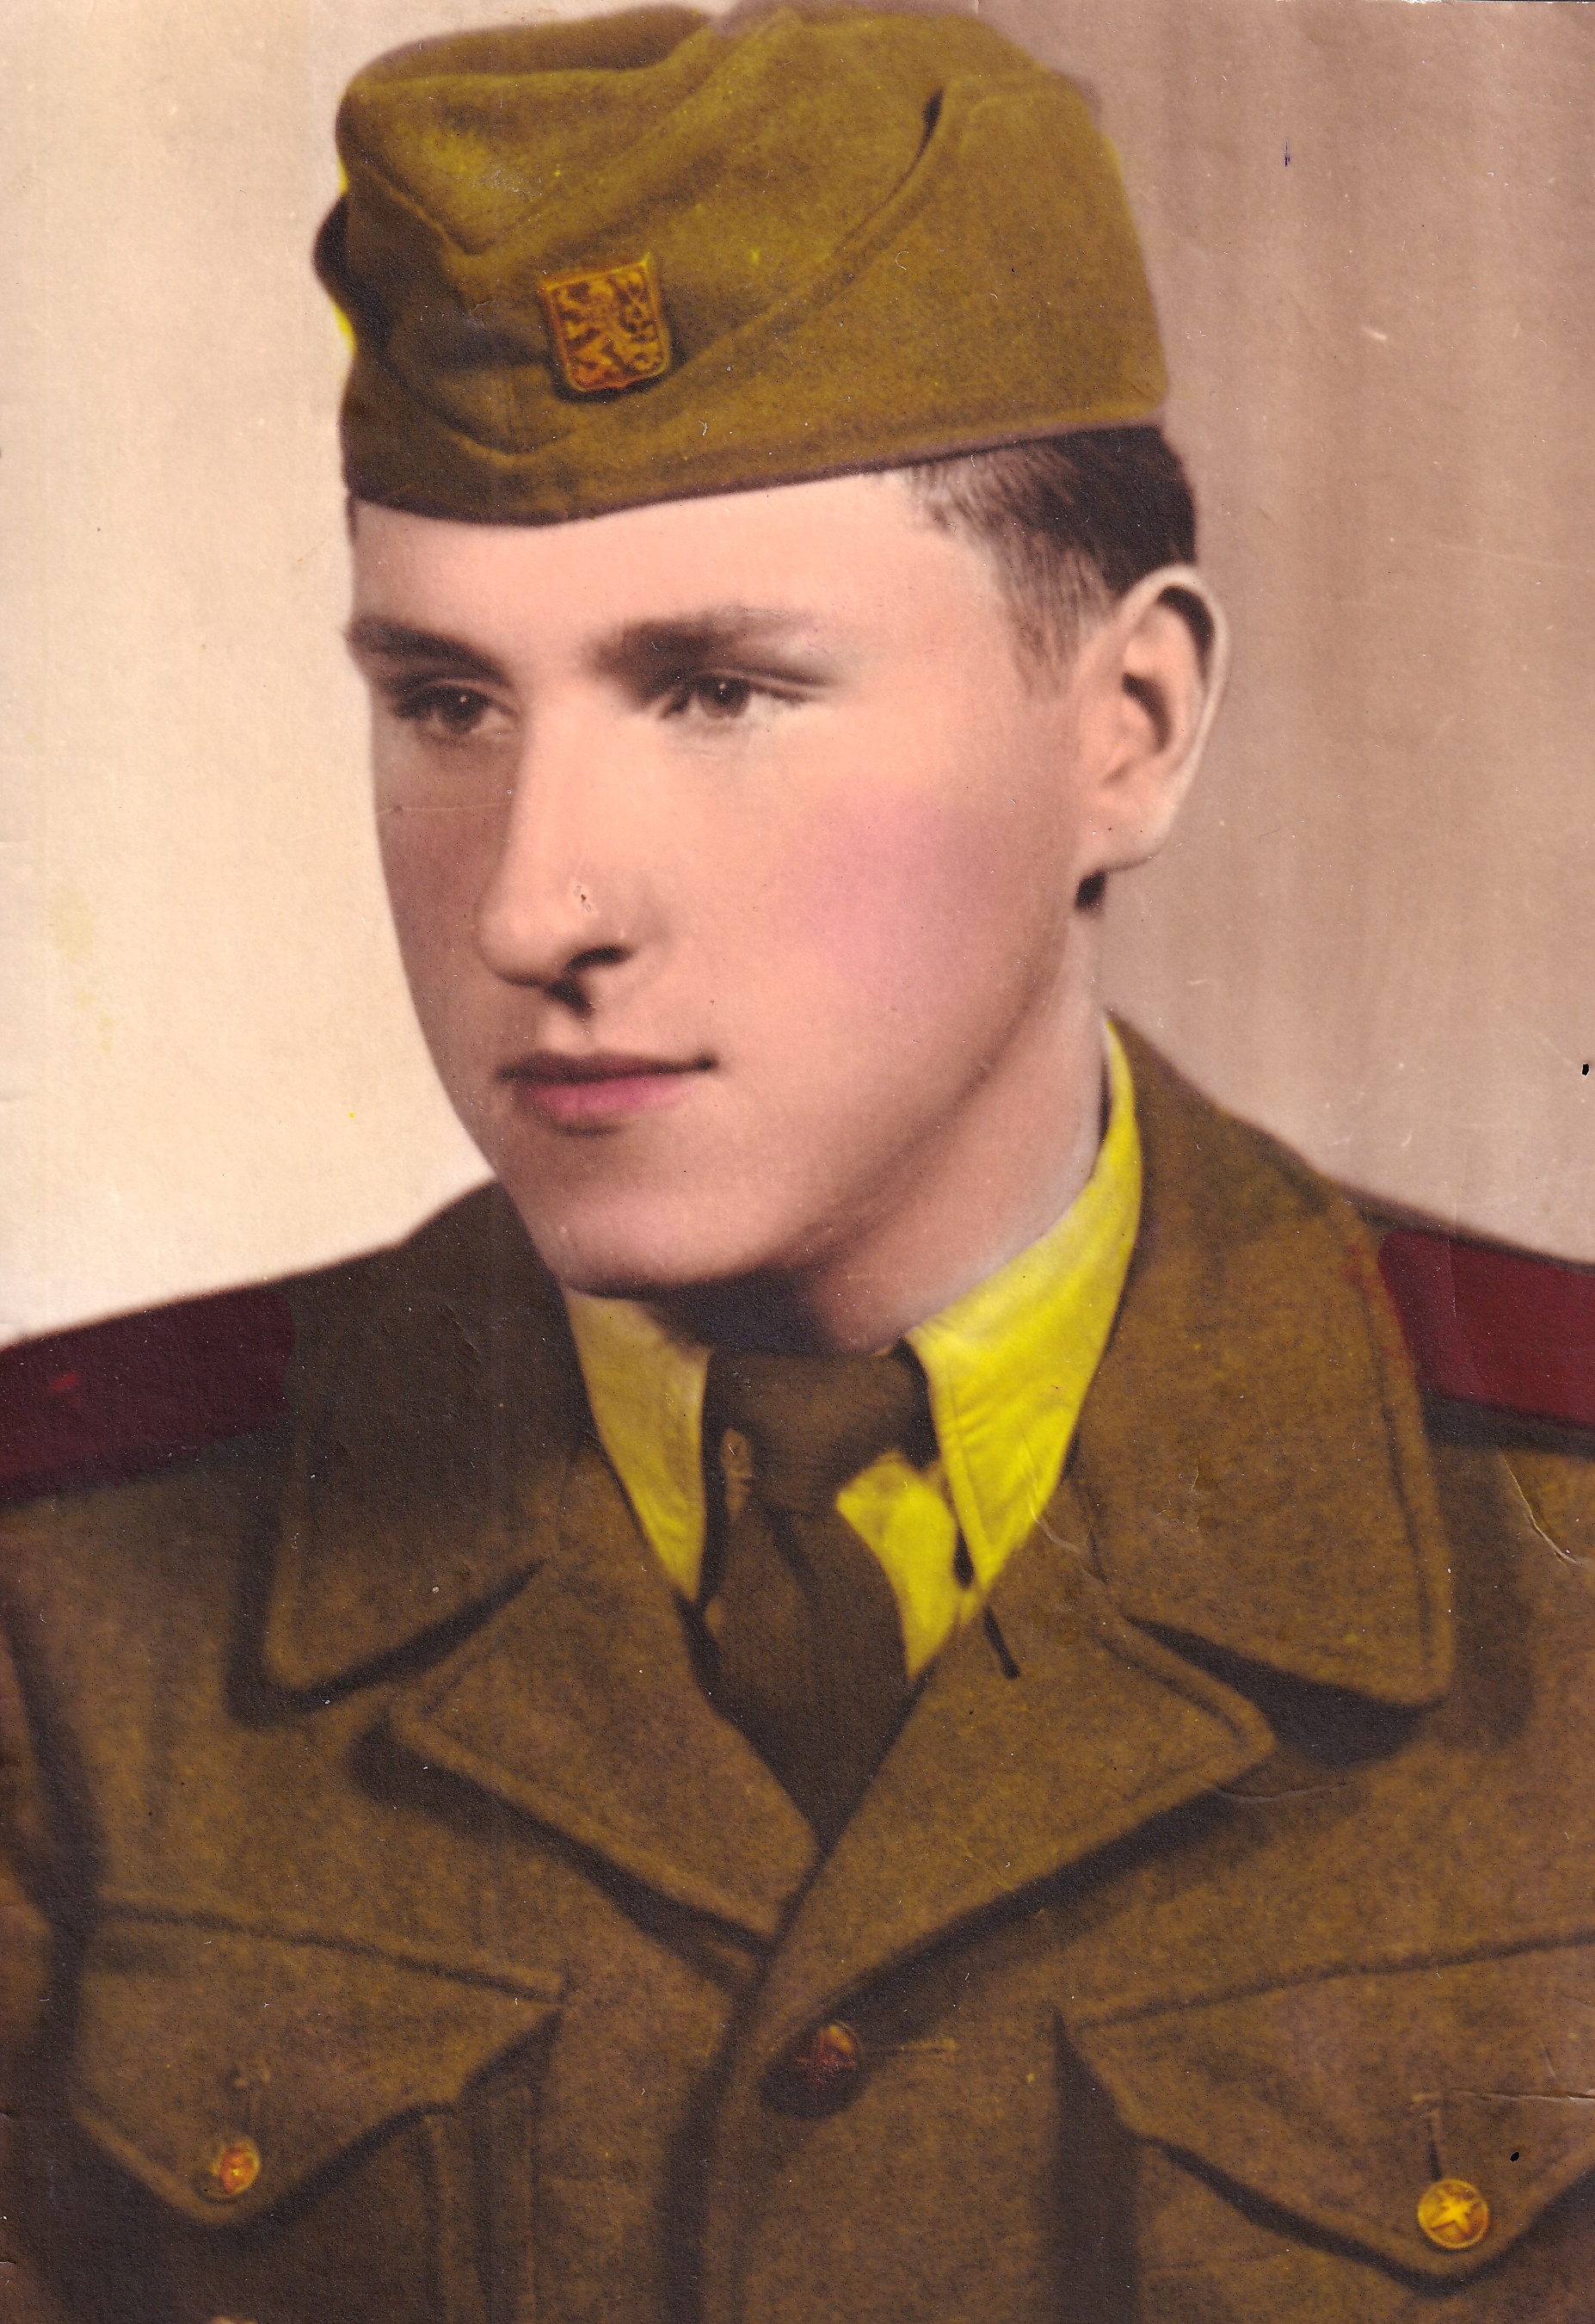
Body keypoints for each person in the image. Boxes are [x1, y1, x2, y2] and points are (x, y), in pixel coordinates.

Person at [3, 8, 1595, 2320]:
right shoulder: (58, 1602)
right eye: (446, 702)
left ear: (1128, 727)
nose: (536, 904)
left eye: (719, 691)